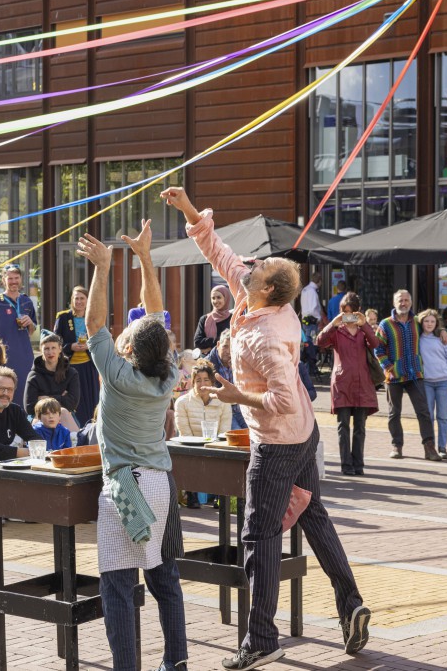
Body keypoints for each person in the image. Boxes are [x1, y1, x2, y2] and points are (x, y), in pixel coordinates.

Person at [167, 186, 368, 667]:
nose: (247, 267)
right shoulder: (253, 297)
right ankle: (352, 603)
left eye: (255, 270)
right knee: (313, 513)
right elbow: (217, 250)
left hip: (278, 441)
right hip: (303, 431)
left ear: (266, 290)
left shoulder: (267, 336)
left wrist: (237, 395)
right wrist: (189, 208)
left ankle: (260, 638)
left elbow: (277, 398)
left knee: (258, 534)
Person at [76, 218, 189, 671]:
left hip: (124, 485)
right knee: (165, 579)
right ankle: (176, 661)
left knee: (118, 585)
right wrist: (144, 258)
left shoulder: (117, 375)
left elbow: (94, 322)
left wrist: (103, 268)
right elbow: (156, 316)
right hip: (161, 485)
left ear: (126, 349)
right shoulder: (169, 373)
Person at [316, 293, 381, 475]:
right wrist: (332, 323)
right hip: (342, 383)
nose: (348, 316)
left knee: (360, 426)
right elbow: (319, 341)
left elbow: (375, 343)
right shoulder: (337, 331)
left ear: (358, 312)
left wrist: (365, 324)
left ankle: (358, 464)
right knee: (343, 426)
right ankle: (346, 465)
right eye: (344, 312)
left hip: (362, 383)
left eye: (351, 313)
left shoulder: (363, 331)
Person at [375, 290, 441, 461]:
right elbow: (377, 348)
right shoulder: (385, 324)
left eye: (406, 300)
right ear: (394, 302)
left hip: (415, 374)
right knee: (394, 413)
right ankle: (397, 446)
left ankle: (429, 448)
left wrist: (444, 331)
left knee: (424, 412)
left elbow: (432, 327)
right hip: (394, 376)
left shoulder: (417, 321)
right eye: (400, 300)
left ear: (411, 302)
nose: (403, 303)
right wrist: (389, 366)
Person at [0, 265, 37, 404]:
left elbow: (31, 332)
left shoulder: (27, 301)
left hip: (25, 356)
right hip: (5, 358)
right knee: (6, 391)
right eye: (10, 278)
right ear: (4, 280)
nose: (14, 281)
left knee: (24, 392)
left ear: (21, 279)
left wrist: (30, 323)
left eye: (16, 278)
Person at [54, 286, 100, 426]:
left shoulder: (93, 317)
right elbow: (56, 341)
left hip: (89, 366)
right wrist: (70, 347)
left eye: (82, 298)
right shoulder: (63, 318)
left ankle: (91, 427)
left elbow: (100, 340)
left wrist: (90, 345)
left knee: (91, 399)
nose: (79, 301)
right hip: (70, 367)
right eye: (76, 298)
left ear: (87, 300)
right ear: (71, 300)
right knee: (73, 399)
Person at [418, 309, 447, 460]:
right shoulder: (418, 338)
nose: (429, 324)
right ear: (421, 322)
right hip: (426, 383)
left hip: (444, 381)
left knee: (443, 417)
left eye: (432, 321)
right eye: (426, 321)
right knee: (428, 417)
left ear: (437, 323)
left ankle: (443, 447)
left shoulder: (443, 338)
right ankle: (431, 448)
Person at [24, 331, 80, 431]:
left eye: (53, 348)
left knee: (63, 412)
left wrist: (45, 398)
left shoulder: (71, 373)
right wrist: (61, 398)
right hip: (38, 415)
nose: (50, 352)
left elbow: (72, 404)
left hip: (64, 414)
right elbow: (29, 407)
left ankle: (75, 445)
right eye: (46, 348)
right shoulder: (33, 375)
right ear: (41, 351)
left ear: (60, 349)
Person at [174, 358, 233, 439]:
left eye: (206, 380)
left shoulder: (223, 402)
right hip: (190, 448)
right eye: (198, 380)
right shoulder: (182, 403)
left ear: (212, 382)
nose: (202, 384)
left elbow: (223, 434)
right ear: (193, 383)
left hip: (216, 448)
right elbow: (186, 435)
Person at [207, 330, 247, 430]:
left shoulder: (239, 362)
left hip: (241, 410)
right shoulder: (207, 365)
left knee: (254, 435)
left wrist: (237, 370)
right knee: (240, 438)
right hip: (221, 412)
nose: (228, 351)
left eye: (232, 347)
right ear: (218, 344)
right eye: (225, 346)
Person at [193, 285, 233, 354]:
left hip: (229, 360)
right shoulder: (205, 319)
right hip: (209, 361)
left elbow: (235, 340)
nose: (215, 301)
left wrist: (209, 346)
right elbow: (197, 342)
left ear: (226, 298)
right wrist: (218, 340)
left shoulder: (233, 319)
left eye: (219, 297)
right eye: (213, 298)